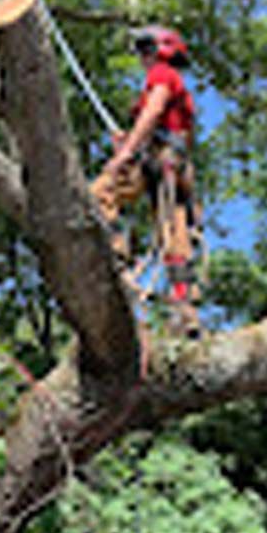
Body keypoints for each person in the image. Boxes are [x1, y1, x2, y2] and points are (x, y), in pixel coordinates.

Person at [91, 25, 201, 336]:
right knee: (174, 231)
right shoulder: (177, 87)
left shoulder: (162, 75)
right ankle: (184, 306)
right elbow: (169, 126)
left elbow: (153, 113)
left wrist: (125, 153)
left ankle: (115, 257)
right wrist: (128, 140)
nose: (141, 57)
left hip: (160, 157)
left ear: (160, 49)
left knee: (99, 193)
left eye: (144, 49)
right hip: (172, 162)